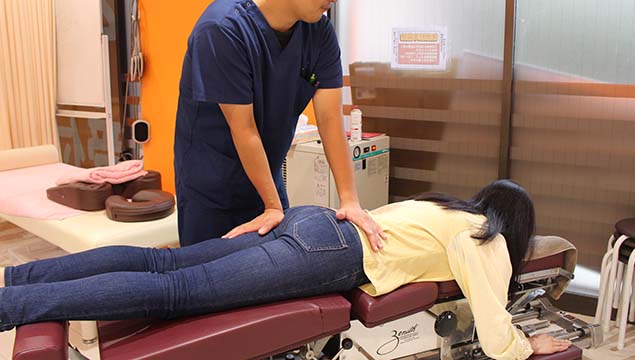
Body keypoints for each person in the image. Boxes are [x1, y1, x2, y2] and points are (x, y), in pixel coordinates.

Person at [1, 180, 570, 359]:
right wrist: (531, 344)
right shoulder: (486, 238)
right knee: (174, 290)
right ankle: (10, 308)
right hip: (330, 255)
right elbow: (497, 337)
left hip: (312, 222)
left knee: (163, 262)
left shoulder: (444, 208)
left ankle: (19, 281)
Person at [173, 0, 385, 250]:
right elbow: (244, 129)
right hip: (212, 190)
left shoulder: (319, 32)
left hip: (267, 179)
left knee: (271, 288)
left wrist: (350, 201)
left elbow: (329, 119)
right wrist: (272, 206)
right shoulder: (222, 29)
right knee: (208, 287)